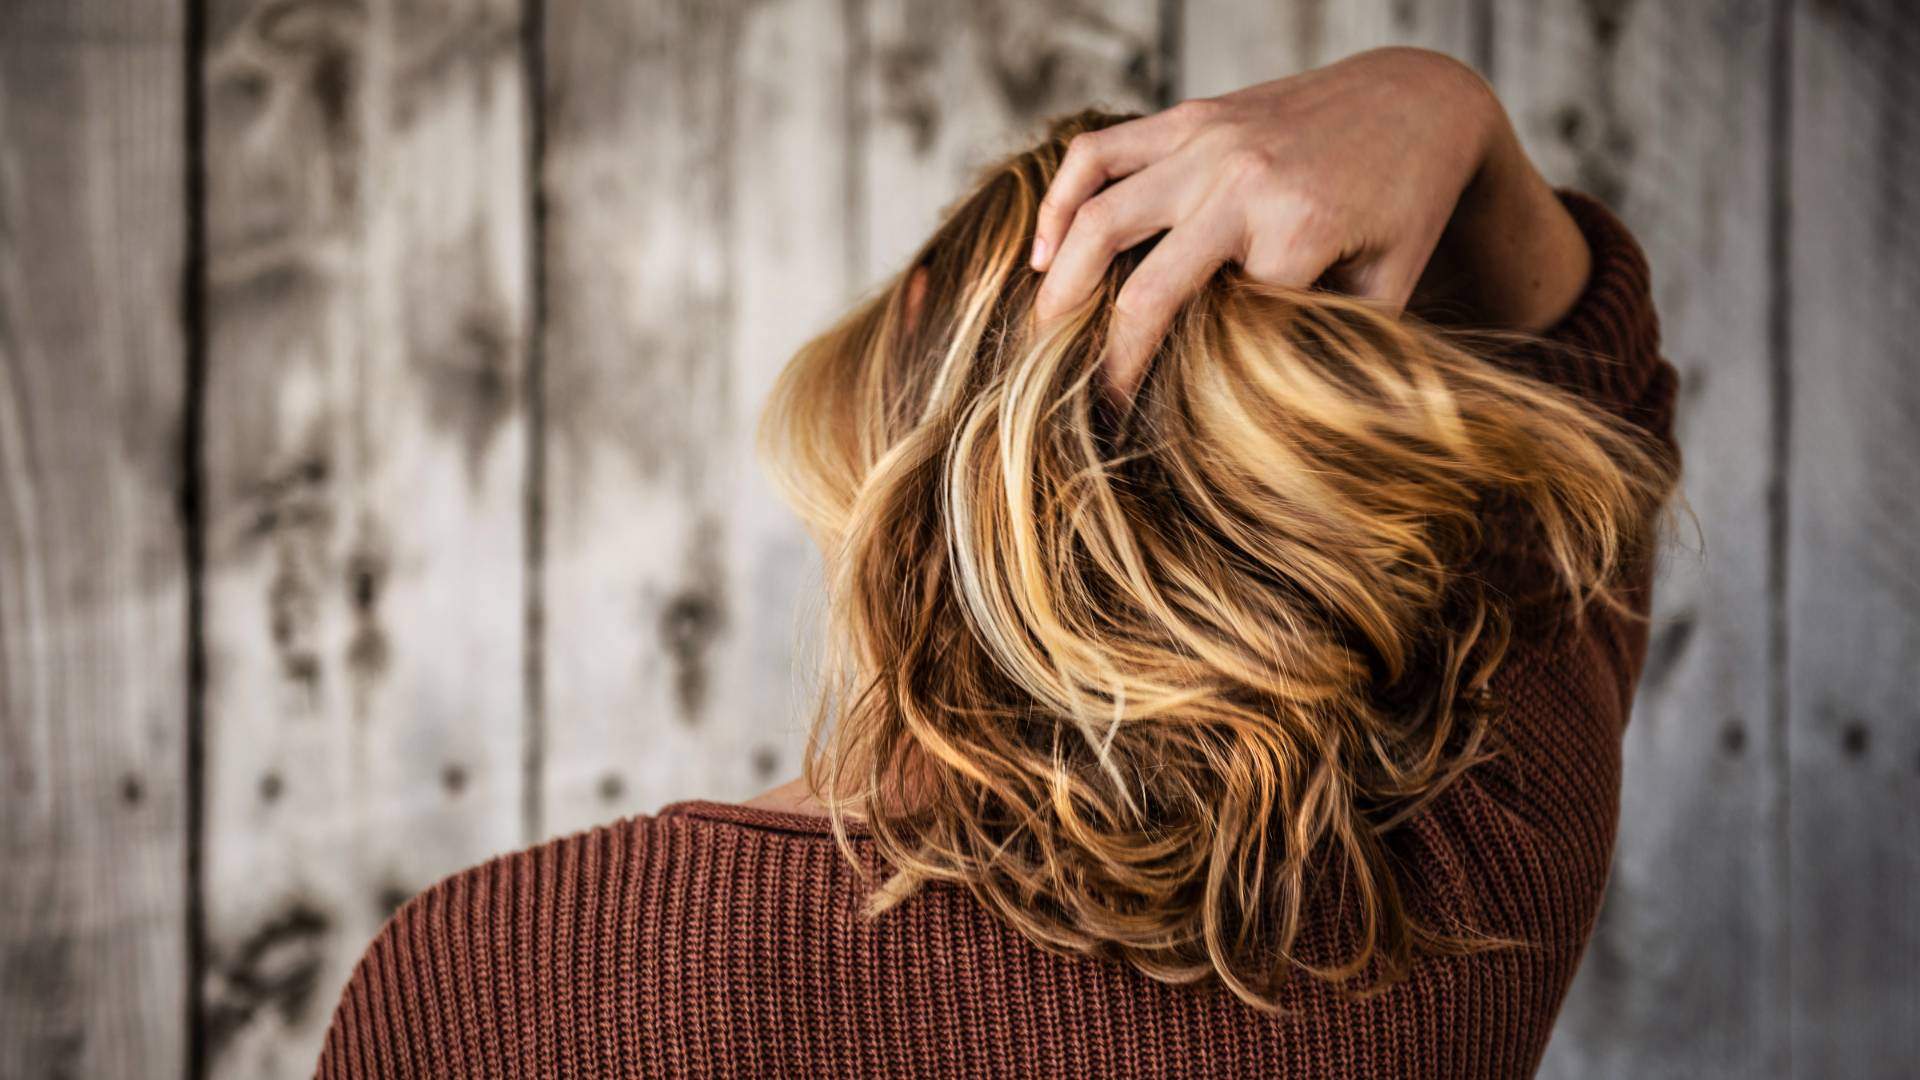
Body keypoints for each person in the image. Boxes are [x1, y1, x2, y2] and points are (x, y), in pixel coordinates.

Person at [314, 46, 1684, 1078]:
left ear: (905, 352)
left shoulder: (493, 981)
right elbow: (1600, 411)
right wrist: (1442, 108)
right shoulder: (1455, 896)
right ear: (1314, 464)